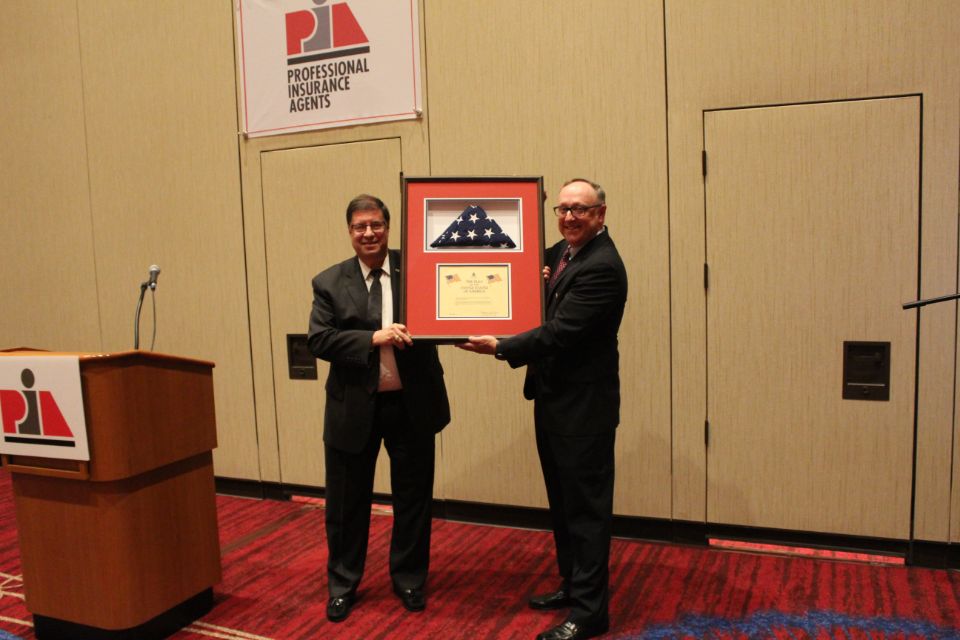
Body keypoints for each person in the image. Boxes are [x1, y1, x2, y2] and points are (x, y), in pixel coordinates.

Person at [458, 178, 627, 640]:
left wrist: (500, 345)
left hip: (583, 411)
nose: (569, 217)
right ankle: (574, 586)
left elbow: (560, 333)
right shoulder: (565, 253)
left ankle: (591, 613)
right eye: (562, 209)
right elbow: (512, 264)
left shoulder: (603, 267)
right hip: (554, 402)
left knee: (587, 512)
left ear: (601, 214)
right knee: (563, 505)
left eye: (580, 210)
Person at [308, 194, 451, 623]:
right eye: (359, 227)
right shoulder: (329, 282)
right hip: (354, 409)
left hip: (413, 405)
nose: (368, 233)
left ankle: (409, 579)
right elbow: (320, 339)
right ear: (349, 232)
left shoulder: (421, 268)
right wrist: (373, 339)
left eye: (376, 224)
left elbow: (455, 300)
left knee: (413, 499)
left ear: (389, 227)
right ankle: (342, 584)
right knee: (346, 504)